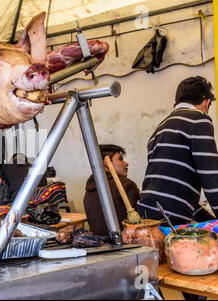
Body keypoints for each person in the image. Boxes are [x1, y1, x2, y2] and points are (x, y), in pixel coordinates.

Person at [137, 76, 218, 226]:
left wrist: (211, 220)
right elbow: (212, 178)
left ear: (176, 104)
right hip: (171, 219)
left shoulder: (157, 131)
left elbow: (181, 196)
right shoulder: (198, 119)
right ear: (207, 103)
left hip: (146, 216)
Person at [83, 144, 140, 236]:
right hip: (123, 243)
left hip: (98, 244)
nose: (126, 163)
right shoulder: (127, 185)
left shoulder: (89, 189)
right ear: (106, 163)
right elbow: (138, 224)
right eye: (120, 159)